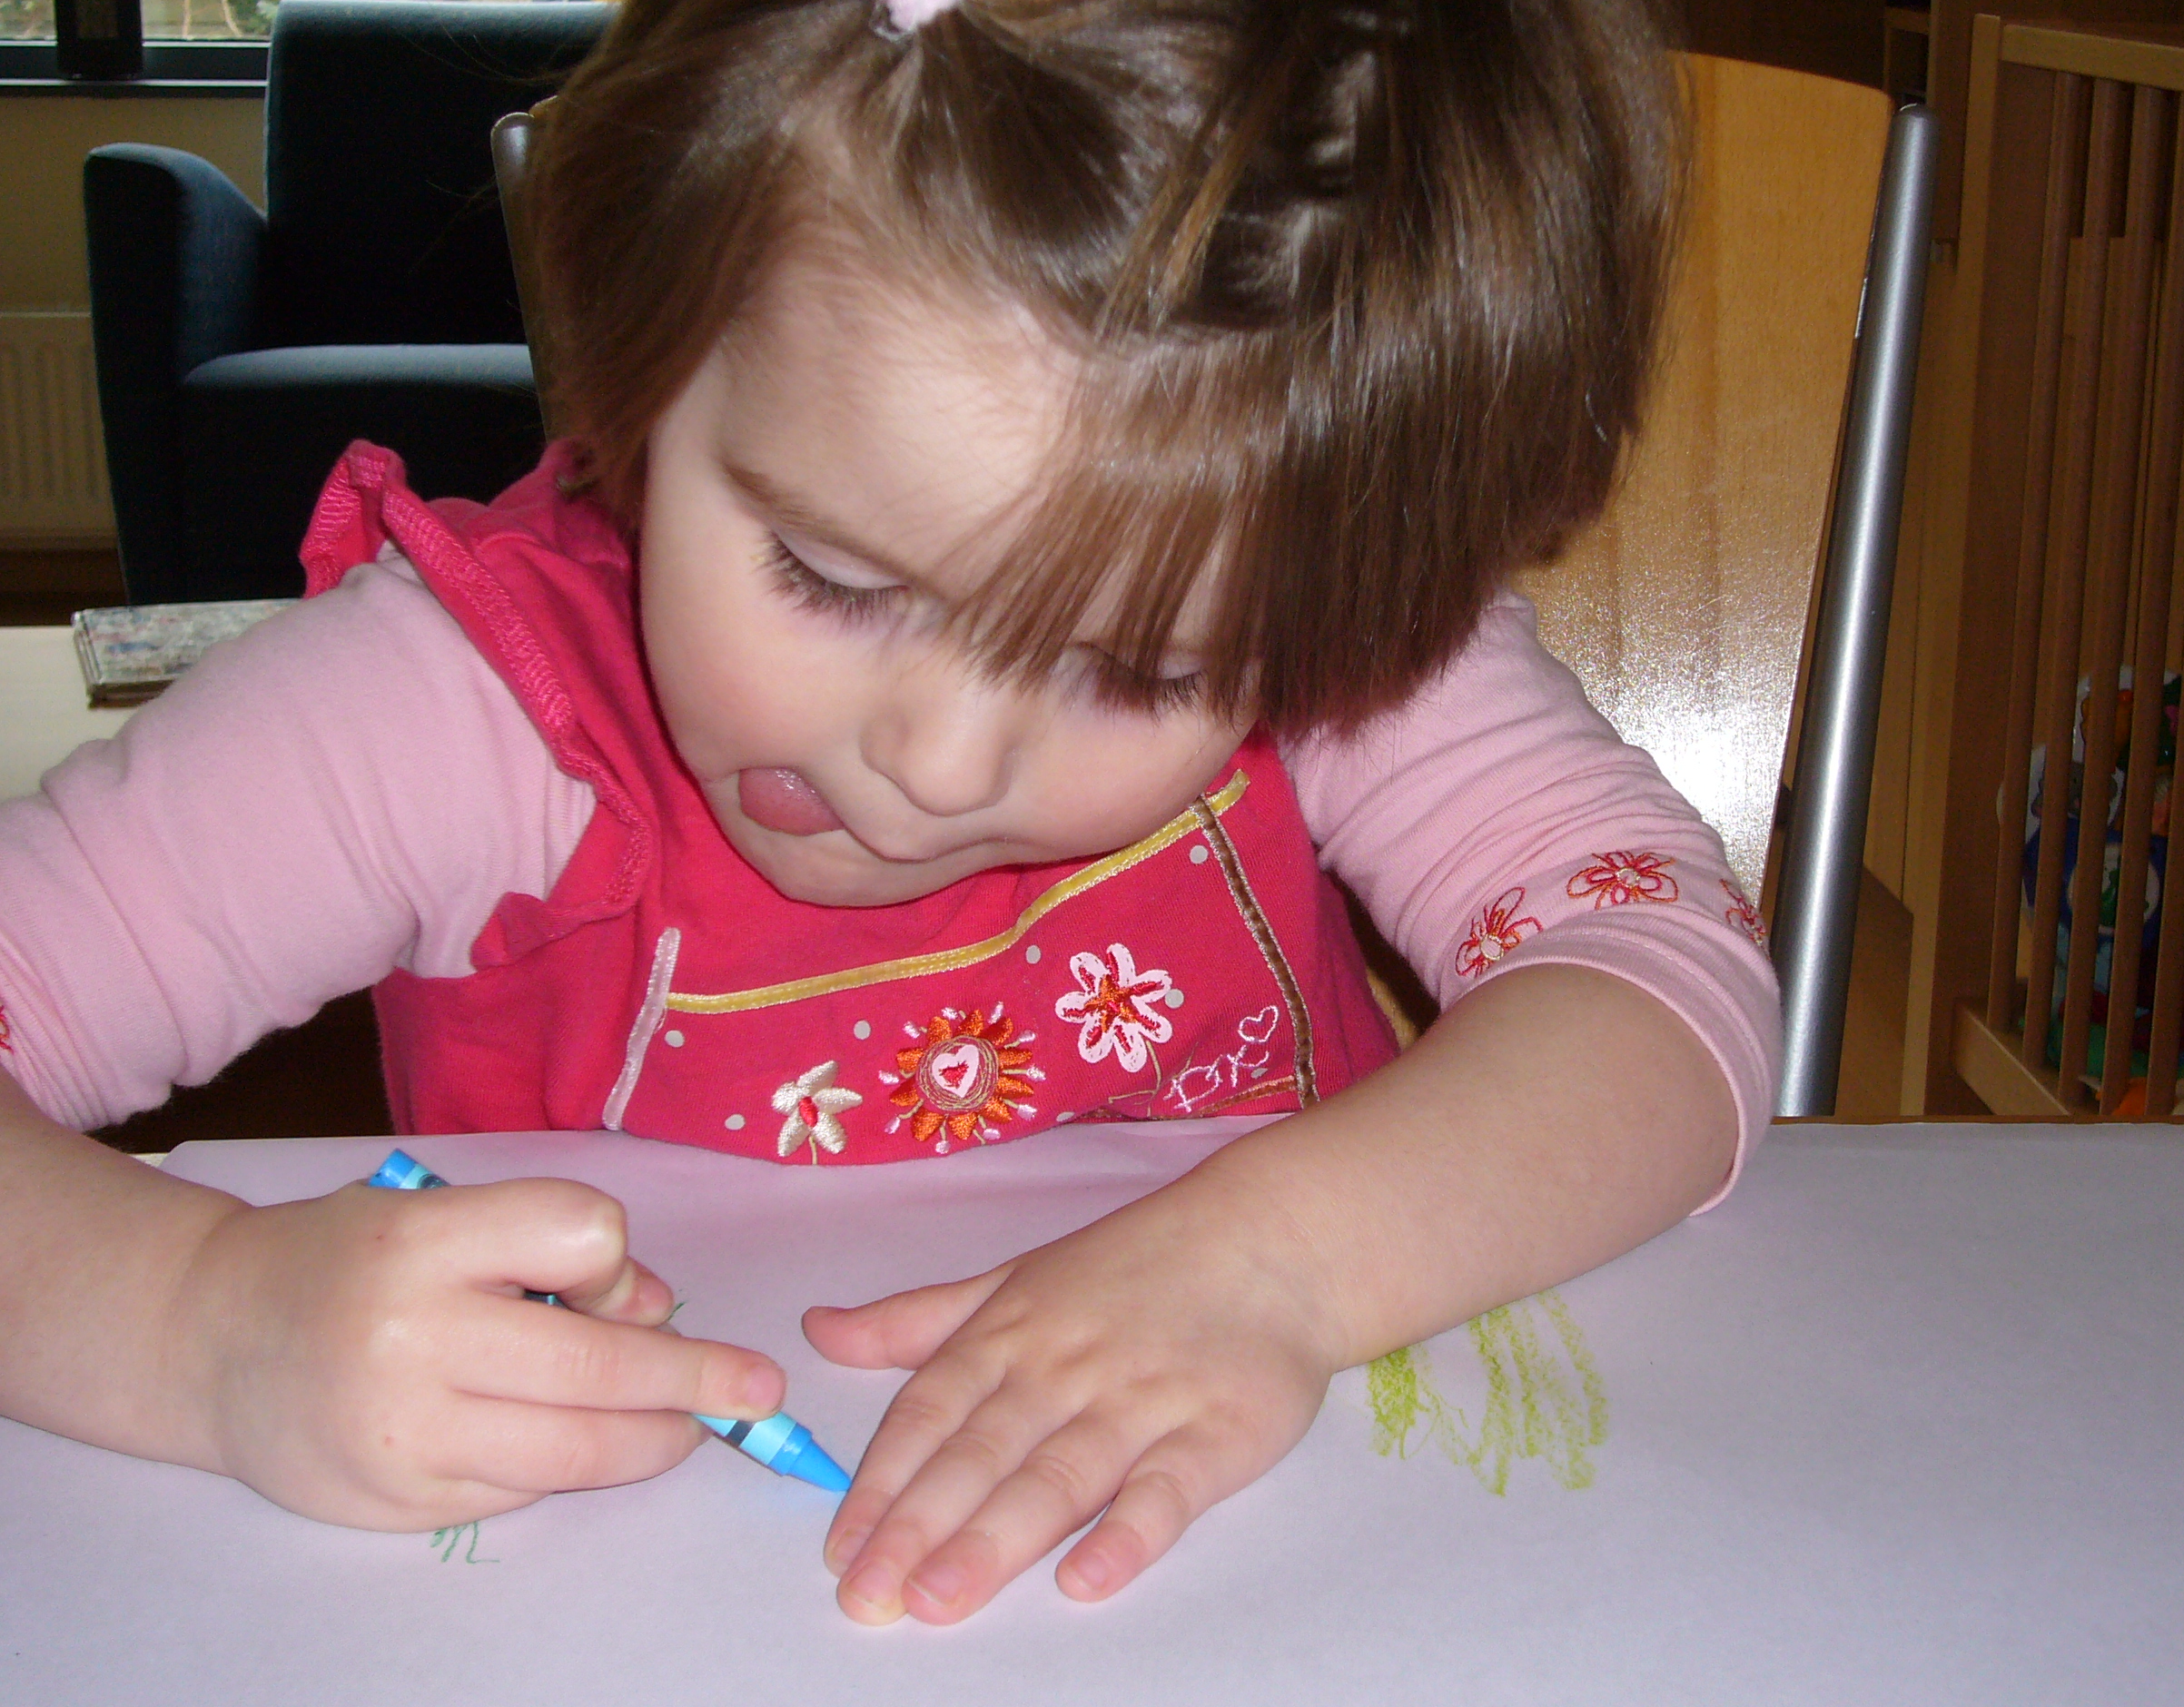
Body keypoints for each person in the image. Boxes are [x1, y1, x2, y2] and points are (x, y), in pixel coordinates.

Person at [0, 0, 1778, 1627]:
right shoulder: (442, 722)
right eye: (834, 579)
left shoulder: (1317, 620)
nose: (939, 763)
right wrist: (205, 1326)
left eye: (1140, 672)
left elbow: (1659, 976)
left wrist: (1285, 1268)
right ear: (643, 361)